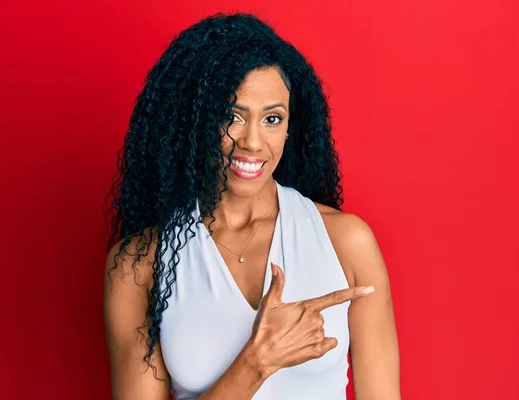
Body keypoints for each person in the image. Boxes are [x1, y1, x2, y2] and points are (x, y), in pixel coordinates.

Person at [103, 12, 400, 400]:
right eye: (231, 116)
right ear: (193, 123)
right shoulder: (138, 265)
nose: (253, 142)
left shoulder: (346, 241)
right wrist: (256, 361)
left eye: (272, 118)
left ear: (291, 126)